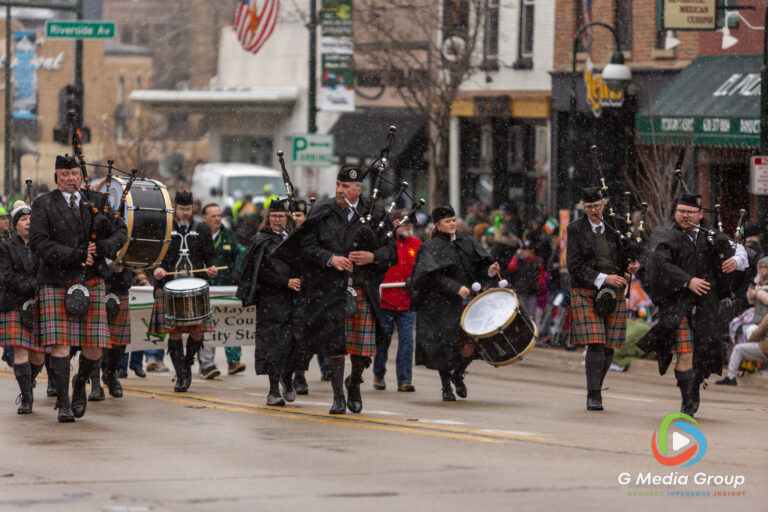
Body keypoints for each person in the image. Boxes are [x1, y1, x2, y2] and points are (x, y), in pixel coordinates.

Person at [280, 166, 397, 414]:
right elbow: (305, 246)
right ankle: (338, 396)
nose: (339, 190)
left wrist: (372, 256)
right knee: (334, 343)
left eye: (345, 187)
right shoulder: (323, 210)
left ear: (358, 190)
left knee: (362, 348)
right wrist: (330, 259)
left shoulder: (374, 211)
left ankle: (353, 383)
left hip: (362, 287)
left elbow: (391, 251)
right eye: (338, 185)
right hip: (328, 288)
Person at [30, 155, 128, 422]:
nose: (70, 178)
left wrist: (104, 249)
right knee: (60, 346)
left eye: (74, 173)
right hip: (56, 281)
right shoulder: (42, 204)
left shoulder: (96, 202)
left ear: (80, 176)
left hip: (92, 280)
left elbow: (120, 232)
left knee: (94, 347)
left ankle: (80, 384)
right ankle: (63, 403)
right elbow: (38, 242)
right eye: (64, 174)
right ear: (56, 177)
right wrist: (75, 255)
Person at [637, 192, 748, 416]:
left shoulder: (712, 236)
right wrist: (688, 280)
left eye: (689, 212)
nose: (684, 215)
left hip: (707, 306)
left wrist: (734, 260)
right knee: (685, 353)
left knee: (703, 353)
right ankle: (688, 402)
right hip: (678, 304)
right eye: (680, 211)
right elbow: (661, 264)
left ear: (699, 214)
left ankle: (693, 391)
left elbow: (742, 251)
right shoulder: (664, 235)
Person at [410, 205, 500, 401]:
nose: (452, 224)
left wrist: (490, 272)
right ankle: (445, 387)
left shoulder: (467, 241)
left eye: (453, 220)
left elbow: (479, 268)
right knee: (444, 347)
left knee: (470, 345)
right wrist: (455, 288)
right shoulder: (429, 247)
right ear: (437, 224)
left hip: (466, 302)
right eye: (447, 221)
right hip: (439, 305)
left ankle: (458, 374)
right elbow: (432, 277)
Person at [566, 187, 641, 411]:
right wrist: (603, 278)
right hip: (586, 289)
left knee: (609, 346)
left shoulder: (616, 224)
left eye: (597, 205)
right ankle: (594, 394)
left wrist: (634, 264)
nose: (593, 210)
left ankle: (597, 386)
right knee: (596, 341)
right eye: (588, 207)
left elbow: (630, 252)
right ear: (583, 207)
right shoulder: (575, 229)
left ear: (604, 204)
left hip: (615, 289)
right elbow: (574, 265)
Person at [149, 190, 218, 392]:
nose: (185, 213)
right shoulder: (164, 227)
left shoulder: (202, 228)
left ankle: (187, 364)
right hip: (168, 288)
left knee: (197, 332)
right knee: (175, 331)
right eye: (182, 209)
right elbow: (153, 256)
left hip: (195, 287)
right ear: (175, 208)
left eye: (188, 209)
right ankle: (181, 375)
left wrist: (212, 268)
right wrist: (157, 268)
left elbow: (212, 257)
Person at [238, 199, 302, 405]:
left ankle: (288, 378)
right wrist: (285, 282)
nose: (277, 220)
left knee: (295, 344)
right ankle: (273, 390)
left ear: (287, 218)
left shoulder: (295, 239)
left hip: (295, 301)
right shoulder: (261, 241)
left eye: (280, 216)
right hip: (271, 302)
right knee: (273, 346)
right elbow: (260, 273)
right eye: (273, 216)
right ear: (268, 218)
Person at [0, 201, 48, 413]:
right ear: (15, 225)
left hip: (39, 304)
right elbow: (7, 276)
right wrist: (31, 286)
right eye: (23, 220)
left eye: (31, 219)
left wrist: (37, 287)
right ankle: (27, 398)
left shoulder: (43, 245)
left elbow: (47, 271)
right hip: (15, 303)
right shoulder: (5, 247)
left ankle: (29, 381)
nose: (28, 223)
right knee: (20, 352)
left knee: (38, 356)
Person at [373, 210, 421, 392]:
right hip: (385, 301)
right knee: (382, 341)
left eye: (410, 222)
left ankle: (404, 380)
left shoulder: (417, 244)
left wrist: (415, 279)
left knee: (407, 342)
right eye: (403, 222)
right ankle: (378, 374)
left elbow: (423, 267)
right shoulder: (384, 243)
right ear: (393, 224)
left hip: (407, 302)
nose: (407, 225)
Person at [197, 203, 246, 378]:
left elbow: (240, 252)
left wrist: (237, 271)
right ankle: (206, 364)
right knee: (205, 326)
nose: (218, 218)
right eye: (213, 216)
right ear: (205, 219)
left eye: (219, 215)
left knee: (229, 322)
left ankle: (233, 361)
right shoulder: (198, 235)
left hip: (225, 287)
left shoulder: (228, 235)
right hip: (204, 288)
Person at [716, 257, 768, 385]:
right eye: (760, 267)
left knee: (741, 344)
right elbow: (751, 299)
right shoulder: (760, 282)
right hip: (758, 319)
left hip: (762, 324)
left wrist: (758, 293)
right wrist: (754, 290)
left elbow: (765, 300)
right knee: (741, 330)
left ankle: (732, 377)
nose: (762, 270)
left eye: (764, 267)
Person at [90, 268, 134, 401]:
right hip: (95, 283)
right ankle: (95, 385)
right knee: (94, 341)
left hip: (120, 286)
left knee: (120, 343)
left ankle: (110, 373)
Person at [507, 239, 546, 324]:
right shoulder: (518, 259)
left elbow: (542, 274)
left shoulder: (538, 260)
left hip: (532, 292)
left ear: (532, 250)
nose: (527, 251)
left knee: (531, 316)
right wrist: (517, 255)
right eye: (525, 248)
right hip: (521, 291)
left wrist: (538, 284)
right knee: (522, 316)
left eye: (529, 248)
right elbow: (510, 267)